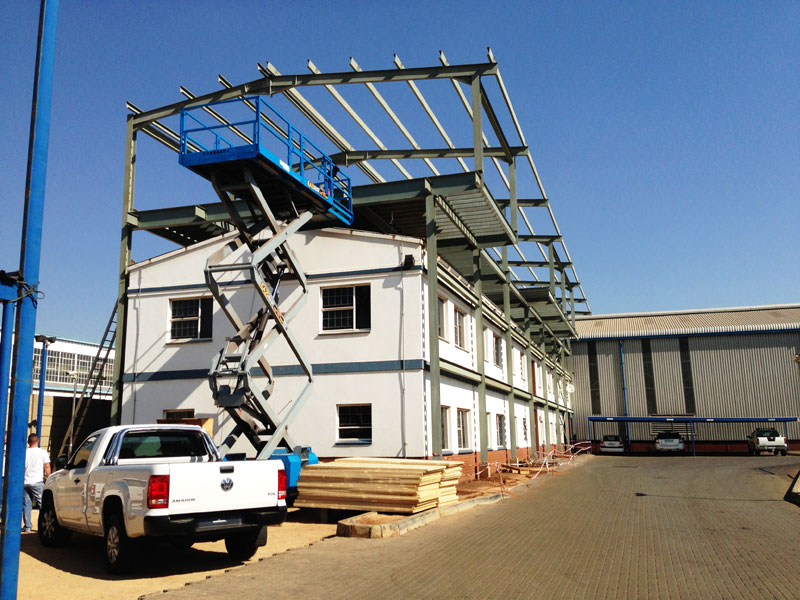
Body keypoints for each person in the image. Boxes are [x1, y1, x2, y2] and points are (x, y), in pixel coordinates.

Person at [22, 433, 50, 533]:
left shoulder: (24, 452)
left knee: (26, 505)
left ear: (28, 442)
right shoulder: (42, 452)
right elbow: (46, 466)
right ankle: (44, 524)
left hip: (25, 481)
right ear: (38, 441)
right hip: (37, 481)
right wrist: (49, 478)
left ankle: (27, 526)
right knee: (43, 504)